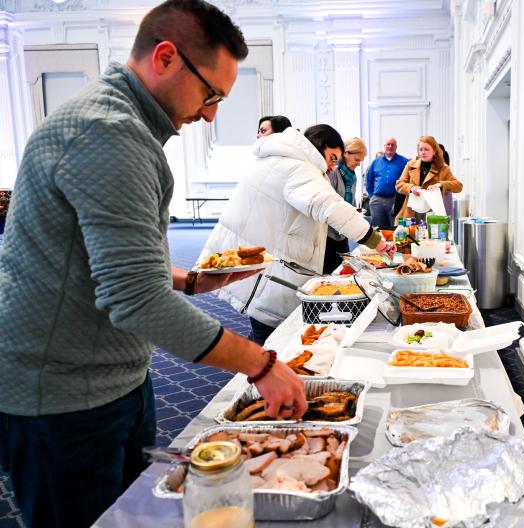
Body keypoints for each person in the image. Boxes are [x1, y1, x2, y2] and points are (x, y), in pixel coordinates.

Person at [0, 2, 307, 526]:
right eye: (210, 94)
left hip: (112, 376)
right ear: (166, 57)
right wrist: (262, 365)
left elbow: (99, 258)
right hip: (61, 395)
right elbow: (135, 296)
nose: (210, 113)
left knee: (128, 514)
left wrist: (188, 280)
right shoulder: (109, 132)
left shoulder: (122, 128)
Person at [200, 125, 396, 345]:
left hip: (262, 261)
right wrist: (375, 241)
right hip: (270, 269)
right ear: (318, 148)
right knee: (271, 339)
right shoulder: (299, 167)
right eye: (332, 159)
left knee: (264, 332)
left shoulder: (281, 158)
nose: (332, 168)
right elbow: (329, 206)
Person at [323, 136, 368, 274]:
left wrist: (355, 211)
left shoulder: (352, 175)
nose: (359, 164)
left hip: (342, 232)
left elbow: (350, 201)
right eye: (357, 160)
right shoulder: (332, 172)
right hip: (328, 233)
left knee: (344, 270)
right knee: (331, 272)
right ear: (346, 153)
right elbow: (329, 204)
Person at [395, 135, 463, 222]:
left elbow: (458, 186)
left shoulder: (443, 168)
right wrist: (411, 187)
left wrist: (441, 184)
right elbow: (399, 184)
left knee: (430, 234)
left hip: (432, 214)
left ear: (434, 151)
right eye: (421, 149)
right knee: (409, 234)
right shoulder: (410, 165)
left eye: (426, 149)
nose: (423, 152)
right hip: (411, 213)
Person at [365, 137, 408, 228]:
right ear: (384, 146)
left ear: (396, 147)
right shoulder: (376, 162)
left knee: (395, 227)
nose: (390, 146)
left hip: (395, 200)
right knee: (378, 229)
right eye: (388, 144)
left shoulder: (404, 161)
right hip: (377, 201)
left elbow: (408, 179)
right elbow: (369, 179)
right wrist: (371, 196)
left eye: (393, 144)